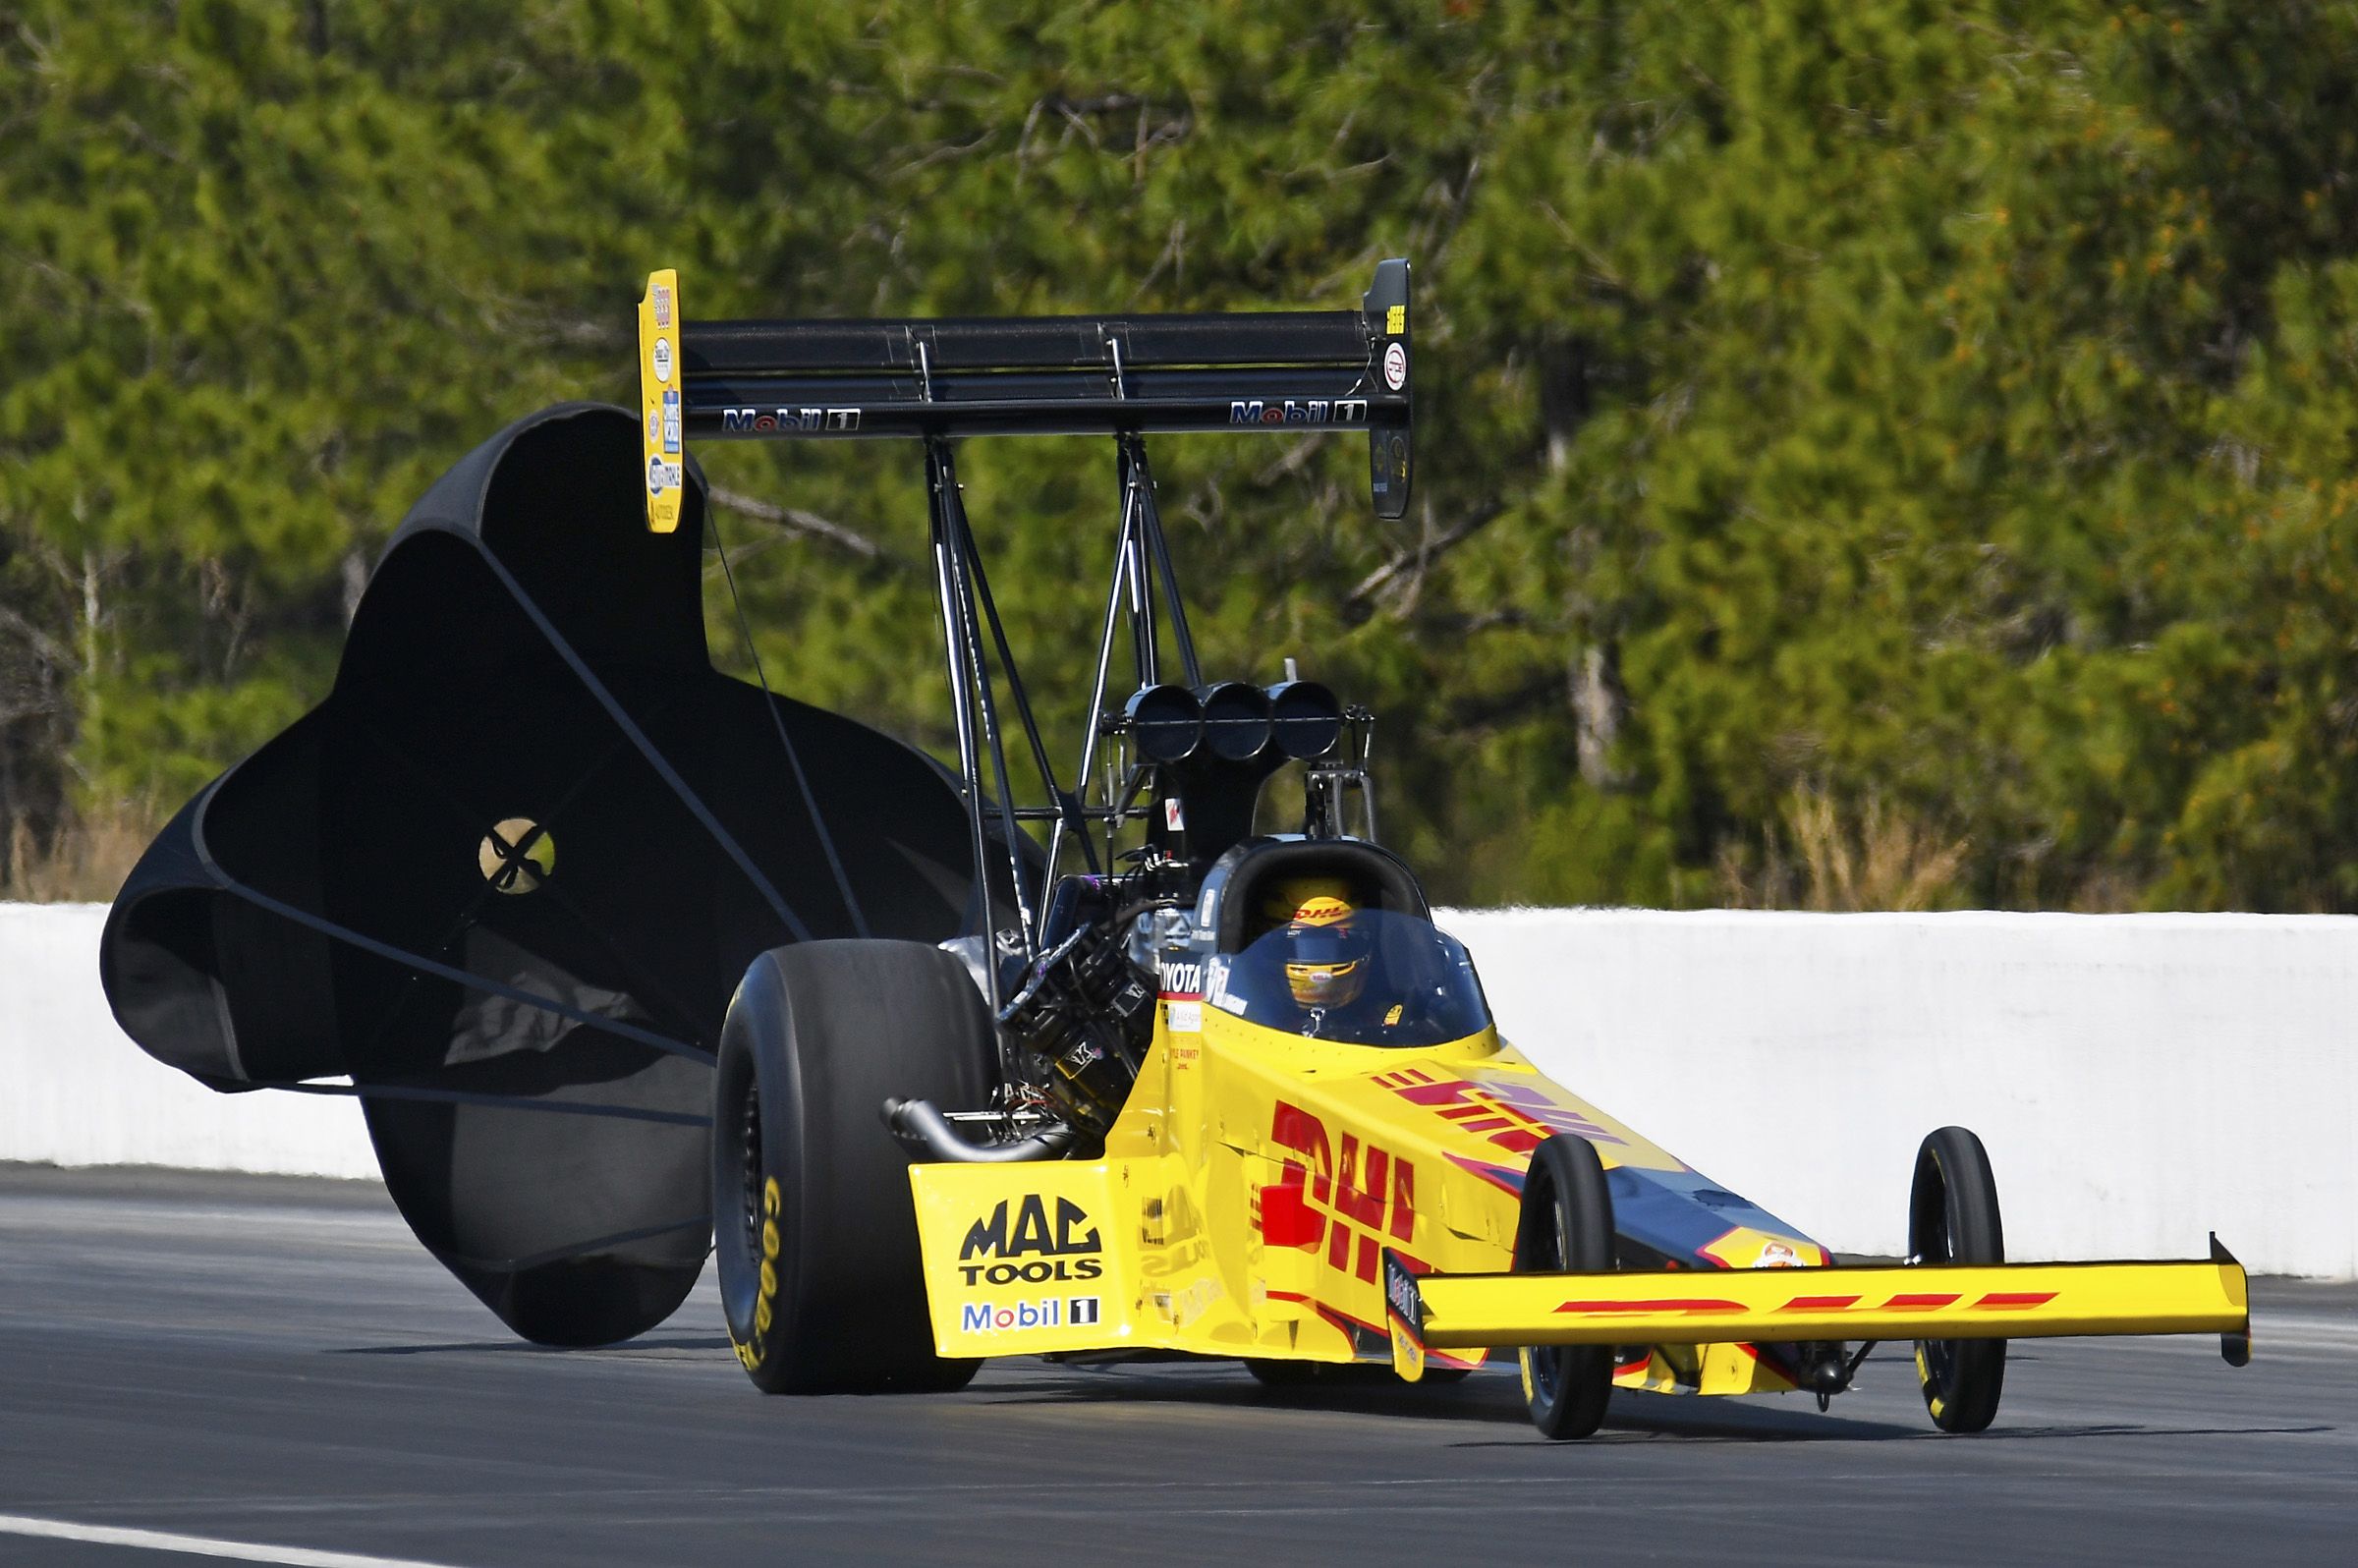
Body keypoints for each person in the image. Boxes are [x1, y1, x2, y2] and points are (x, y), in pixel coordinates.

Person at [1265, 880, 1412, 1038]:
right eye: (1300, 947)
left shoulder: (1388, 1019)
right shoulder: (1250, 1016)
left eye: (1339, 946)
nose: (1319, 961)